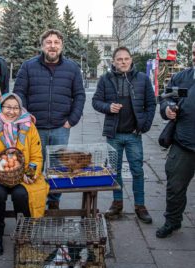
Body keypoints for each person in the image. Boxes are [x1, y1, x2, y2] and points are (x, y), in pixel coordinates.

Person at [13, 29, 85, 209]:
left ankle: (53, 202)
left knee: (57, 168)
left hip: (61, 127)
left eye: (56, 42)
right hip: (34, 128)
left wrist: (72, 120)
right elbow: (19, 92)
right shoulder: (28, 66)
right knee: (33, 166)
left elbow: (79, 95)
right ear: (42, 45)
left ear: (61, 46)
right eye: (49, 42)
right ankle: (33, 199)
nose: (52, 46)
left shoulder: (72, 67)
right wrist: (24, 115)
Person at [0, 92, 49, 256]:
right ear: (0, 107)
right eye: (7, 107)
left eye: (16, 108)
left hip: (22, 176)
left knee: (22, 195)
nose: (11, 111)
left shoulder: (29, 126)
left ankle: (24, 235)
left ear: (21, 109)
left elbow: (36, 156)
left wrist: (30, 172)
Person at [92, 46, 156, 224]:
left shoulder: (142, 79)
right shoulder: (105, 79)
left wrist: (145, 125)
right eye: (119, 59)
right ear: (113, 62)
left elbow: (151, 104)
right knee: (115, 171)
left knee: (137, 171)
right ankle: (117, 203)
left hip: (134, 134)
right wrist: (108, 107)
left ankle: (140, 206)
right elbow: (96, 101)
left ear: (131, 60)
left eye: (126, 59)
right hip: (114, 134)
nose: (123, 62)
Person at [156, 42, 195, 238]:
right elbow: (166, 98)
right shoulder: (182, 77)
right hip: (184, 144)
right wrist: (168, 109)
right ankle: (173, 221)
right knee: (175, 186)